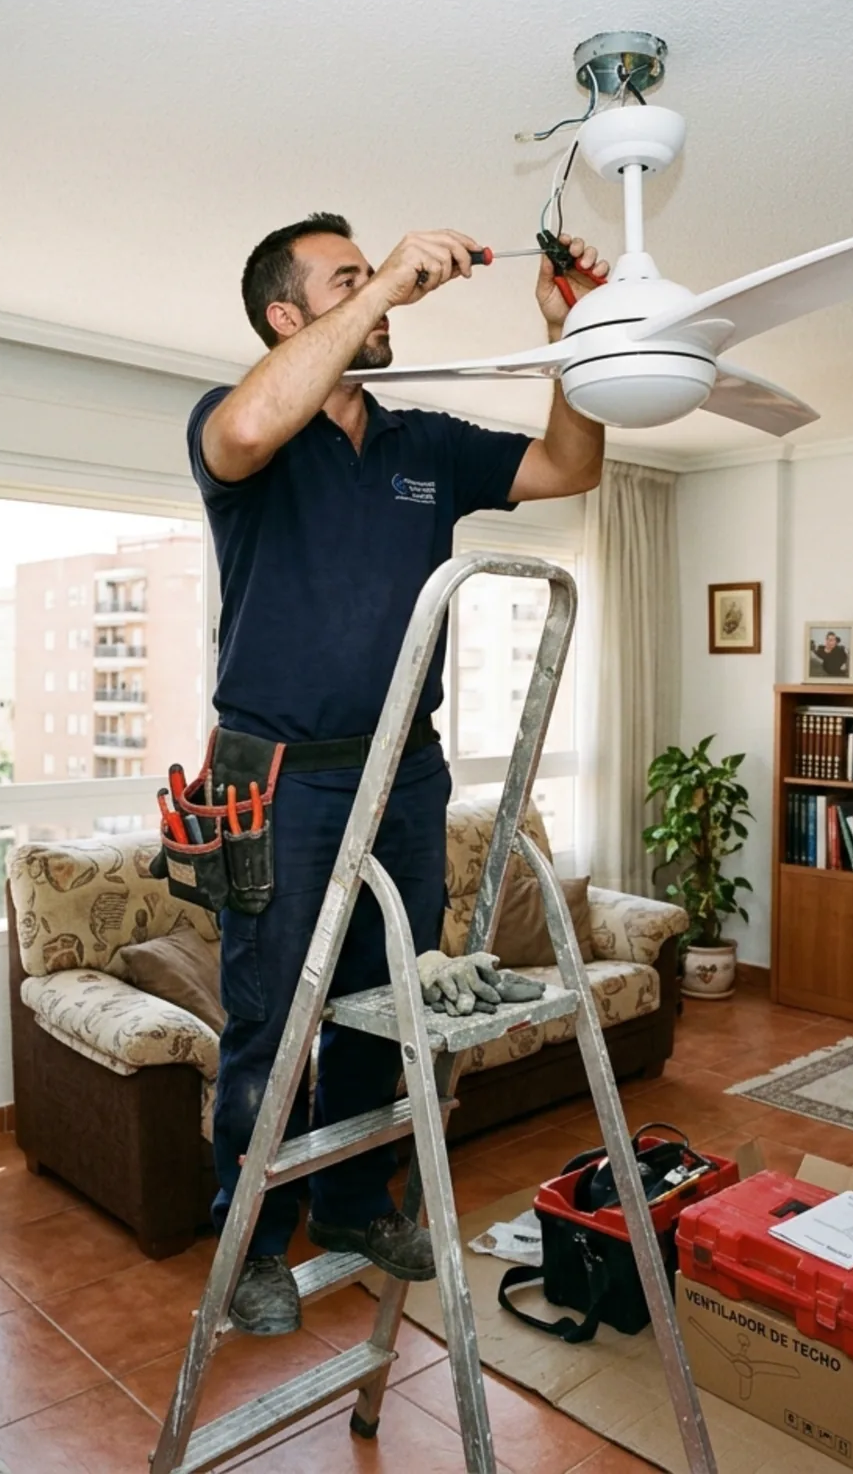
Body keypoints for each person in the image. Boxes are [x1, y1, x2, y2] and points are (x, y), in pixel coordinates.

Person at [188, 212, 608, 1336]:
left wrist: (577, 338)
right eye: (346, 278)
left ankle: (349, 1206)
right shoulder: (247, 431)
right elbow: (243, 425)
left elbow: (574, 463)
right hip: (273, 777)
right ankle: (248, 1244)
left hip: (401, 775)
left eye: (370, 271)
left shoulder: (424, 442)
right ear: (289, 315)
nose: (374, 288)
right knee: (270, 1023)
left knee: (391, 1005)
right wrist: (385, 295)